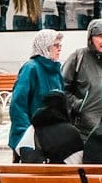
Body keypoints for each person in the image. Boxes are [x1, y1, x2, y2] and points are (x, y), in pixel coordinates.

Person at [8, 28, 65, 156]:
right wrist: (26, 135)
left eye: (60, 45)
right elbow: (18, 104)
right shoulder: (31, 68)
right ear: (45, 46)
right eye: (56, 45)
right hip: (31, 139)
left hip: (51, 139)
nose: (59, 49)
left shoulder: (56, 70)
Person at [21, 90, 84, 165]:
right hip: (66, 175)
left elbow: (22, 152)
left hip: (35, 174)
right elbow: (78, 161)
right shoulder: (72, 132)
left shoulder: (32, 129)